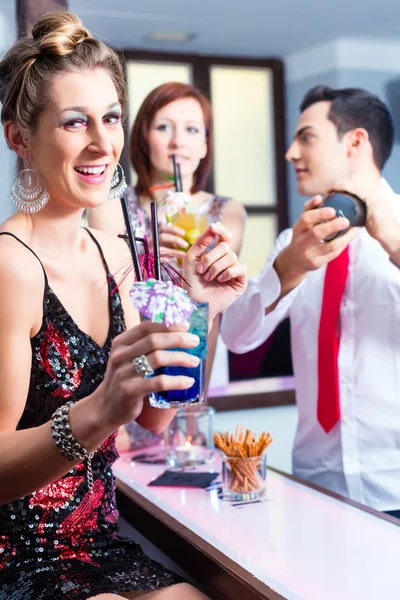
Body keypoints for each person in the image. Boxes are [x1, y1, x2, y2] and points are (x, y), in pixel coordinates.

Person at [0, 12, 247, 600]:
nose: (103, 143)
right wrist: (102, 407)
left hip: (101, 543)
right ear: (20, 138)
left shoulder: (117, 254)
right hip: (17, 552)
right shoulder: (10, 265)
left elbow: (157, 415)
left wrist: (199, 308)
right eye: (74, 121)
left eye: (111, 118)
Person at [221, 85, 400, 516]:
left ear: (355, 142)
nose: (290, 152)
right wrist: (290, 267)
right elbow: (237, 337)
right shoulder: (290, 242)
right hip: (315, 489)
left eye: (306, 137)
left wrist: (393, 241)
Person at [88, 82, 246, 451]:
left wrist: (191, 268)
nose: (179, 142)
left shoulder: (227, 213)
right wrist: (149, 251)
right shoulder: (113, 207)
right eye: (164, 127)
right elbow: (118, 296)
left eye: (192, 129)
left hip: (194, 360)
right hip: (129, 369)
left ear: (205, 144)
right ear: (142, 137)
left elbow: (209, 303)